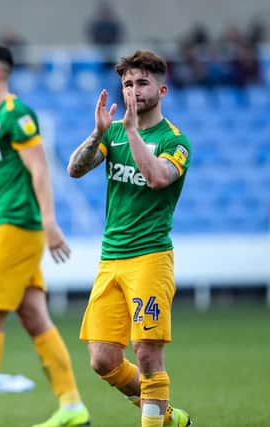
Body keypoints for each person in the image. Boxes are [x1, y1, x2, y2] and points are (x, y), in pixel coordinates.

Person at [0, 45, 90, 427]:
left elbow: (40, 168)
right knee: (35, 317)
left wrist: (50, 222)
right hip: (2, 229)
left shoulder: (17, 114)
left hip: (17, 228)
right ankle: (72, 407)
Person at [68, 50, 192, 427]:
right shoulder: (115, 134)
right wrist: (98, 133)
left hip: (150, 258)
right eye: (127, 84)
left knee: (146, 353)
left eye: (142, 83)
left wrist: (134, 131)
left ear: (162, 89)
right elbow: (75, 168)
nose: (133, 90)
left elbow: (157, 177)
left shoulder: (175, 141)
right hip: (111, 259)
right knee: (102, 359)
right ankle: (168, 416)